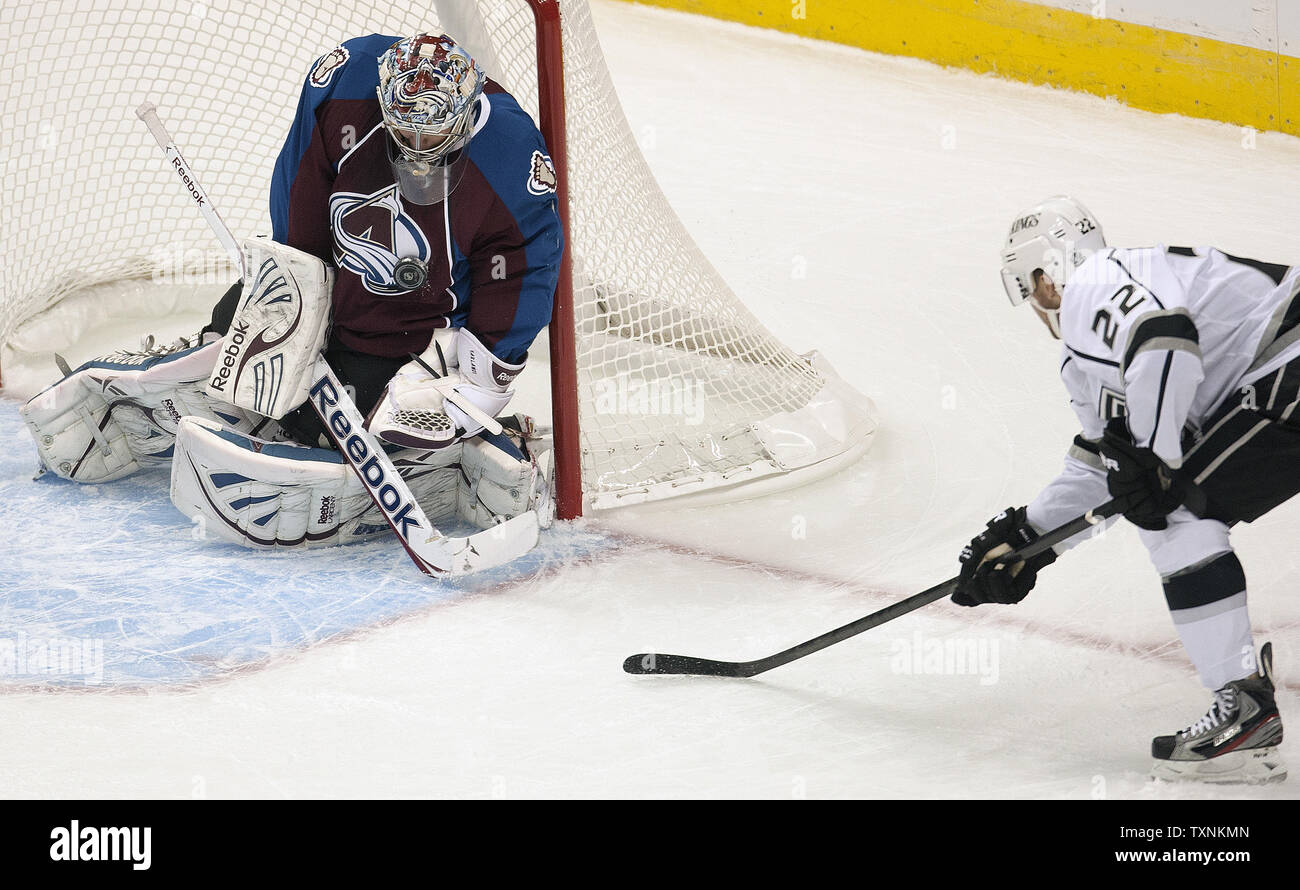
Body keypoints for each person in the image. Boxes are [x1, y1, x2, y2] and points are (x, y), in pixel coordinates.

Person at [20, 33, 562, 548]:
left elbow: (526, 266)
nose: (419, 149)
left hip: (411, 328)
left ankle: (413, 446)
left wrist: (480, 377)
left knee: (357, 413)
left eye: (435, 135)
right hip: (340, 280)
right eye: (407, 132)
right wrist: (300, 290)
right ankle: (230, 379)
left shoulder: (513, 154)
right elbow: (300, 185)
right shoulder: (346, 88)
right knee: (243, 321)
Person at [955, 196, 1290, 784]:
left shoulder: (1094, 287)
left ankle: (1243, 714)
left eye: (1030, 287)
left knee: (1177, 515)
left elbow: (1166, 340)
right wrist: (1029, 539)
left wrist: (1156, 461)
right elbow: (1104, 463)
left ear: (1044, 274)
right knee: (1165, 498)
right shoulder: (1090, 350)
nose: (1037, 306)